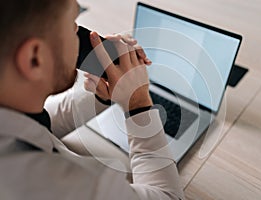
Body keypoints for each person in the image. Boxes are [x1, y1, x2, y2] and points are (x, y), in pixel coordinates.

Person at [0, 0, 185, 199]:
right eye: (72, 24)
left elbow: (38, 127)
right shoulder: (62, 186)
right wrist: (138, 104)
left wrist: (101, 97)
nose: (80, 33)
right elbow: (169, 196)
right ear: (35, 58)